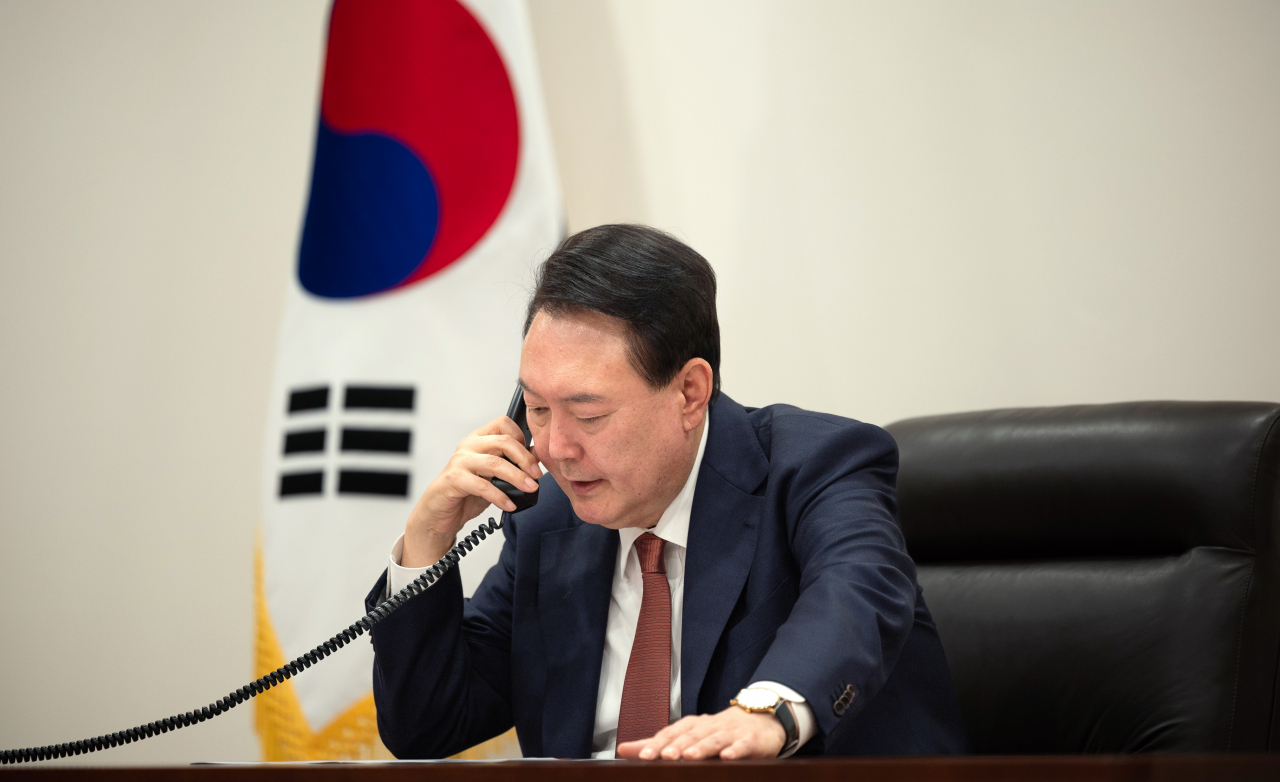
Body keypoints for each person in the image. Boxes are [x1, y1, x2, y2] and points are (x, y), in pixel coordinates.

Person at [365, 224, 968, 759]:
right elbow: (427, 727)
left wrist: (766, 716)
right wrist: (428, 539)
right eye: (539, 408)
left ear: (689, 393)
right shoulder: (550, 519)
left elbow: (857, 594)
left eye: (589, 414)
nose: (555, 447)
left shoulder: (815, 465)